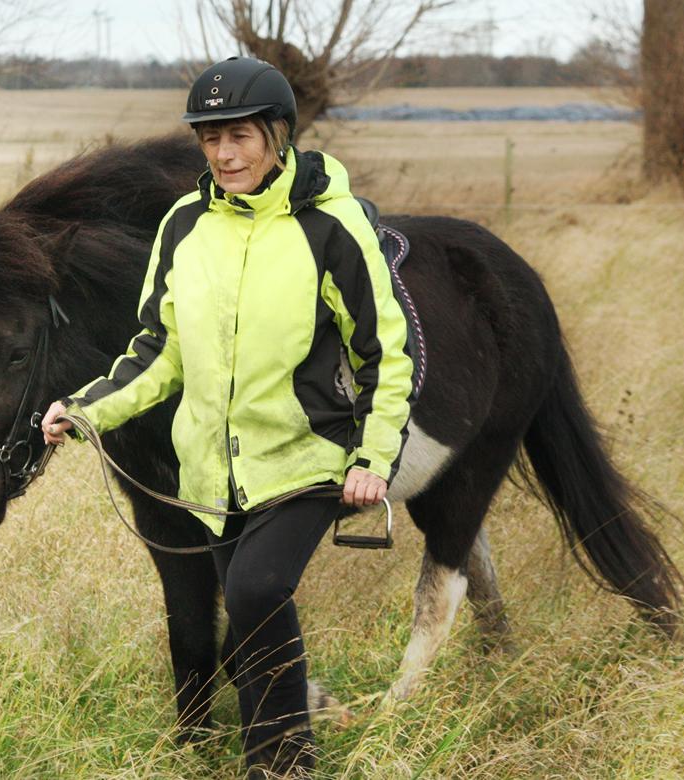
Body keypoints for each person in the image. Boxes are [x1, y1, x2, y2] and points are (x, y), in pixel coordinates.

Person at [41, 56, 413, 778]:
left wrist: (374, 457)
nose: (224, 154)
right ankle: (280, 741)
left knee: (253, 590)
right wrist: (85, 409)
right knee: (249, 606)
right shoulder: (185, 224)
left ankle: (281, 760)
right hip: (212, 469)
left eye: (239, 135)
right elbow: (159, 349)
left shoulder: (330, 227)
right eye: (210, 139)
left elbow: (384, 353)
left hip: (306, 454)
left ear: (278, 133)